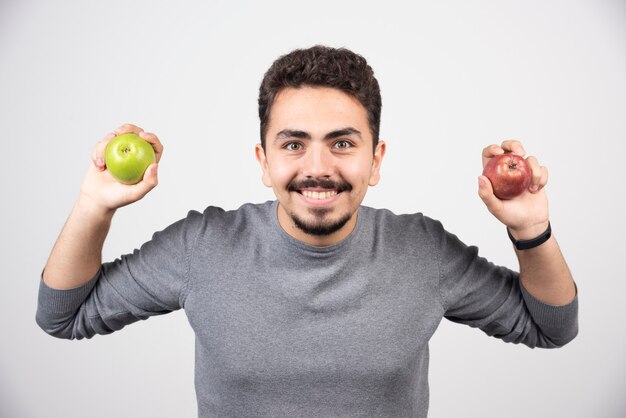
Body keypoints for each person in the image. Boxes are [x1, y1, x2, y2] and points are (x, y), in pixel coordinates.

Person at [37, 45, 578, 418]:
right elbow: (63, 315)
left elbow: (551, 325)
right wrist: (94, 206)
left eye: (342, 143)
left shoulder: (422, 251)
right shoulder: (202, 247)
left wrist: (531, 228)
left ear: (375, 160)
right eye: (293, 143)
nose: (317, 167)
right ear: (264, 159)